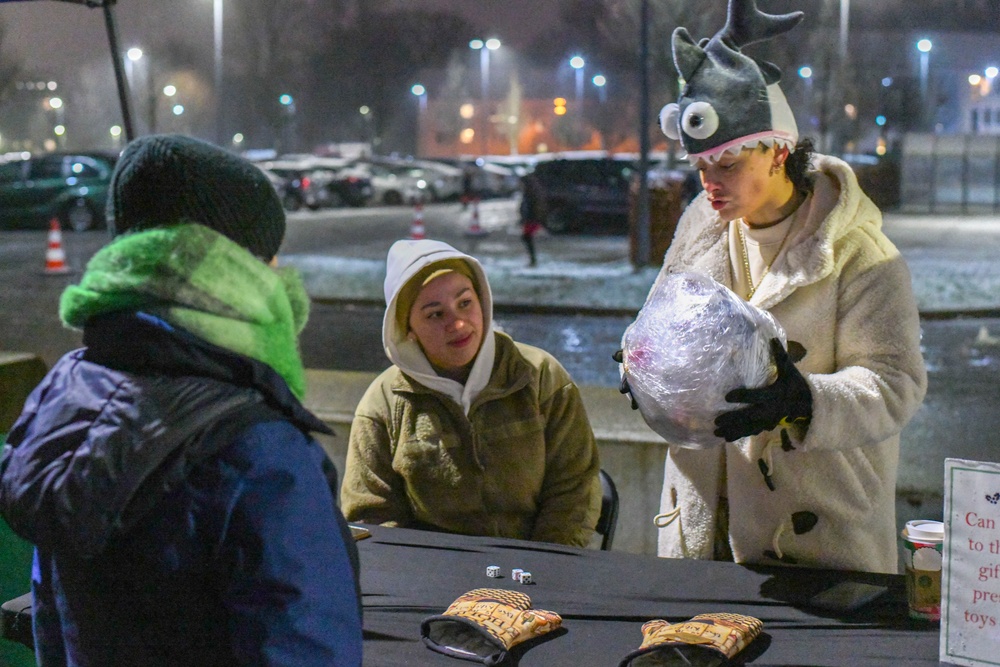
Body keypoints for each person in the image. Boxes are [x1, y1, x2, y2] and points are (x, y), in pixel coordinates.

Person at [0, 134, 363, 665]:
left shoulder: (65, 394)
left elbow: (51, 615)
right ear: (240, 269)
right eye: (270, 256)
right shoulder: (257, 448)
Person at [636, 0, 927, 573]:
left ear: (778, 150)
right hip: (705, 529)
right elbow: (656, 318)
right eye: (700, 167)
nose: (708, 184)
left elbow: (896, 385)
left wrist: (804, 401)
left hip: (813, 542)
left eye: (726, 164)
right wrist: (640, 365)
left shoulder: (860, 255)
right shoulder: (701, 226)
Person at [341, 239, 601, 547]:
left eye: (465, 303)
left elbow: (574, 489)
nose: (458, 323)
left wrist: (541, 568)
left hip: (537, 570)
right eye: (435, 314)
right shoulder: (384, 404)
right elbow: (371, 515)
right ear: (406, 328)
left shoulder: (539, 376)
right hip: (434, 579)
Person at [519, 172, 545, 267]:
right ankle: (532, 258)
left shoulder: (530, 194)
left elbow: (531, 207)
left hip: (531, 219)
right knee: (527, 238)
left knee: (527, 237)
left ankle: (533, 259)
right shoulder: (532, 192)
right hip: (530, 218)